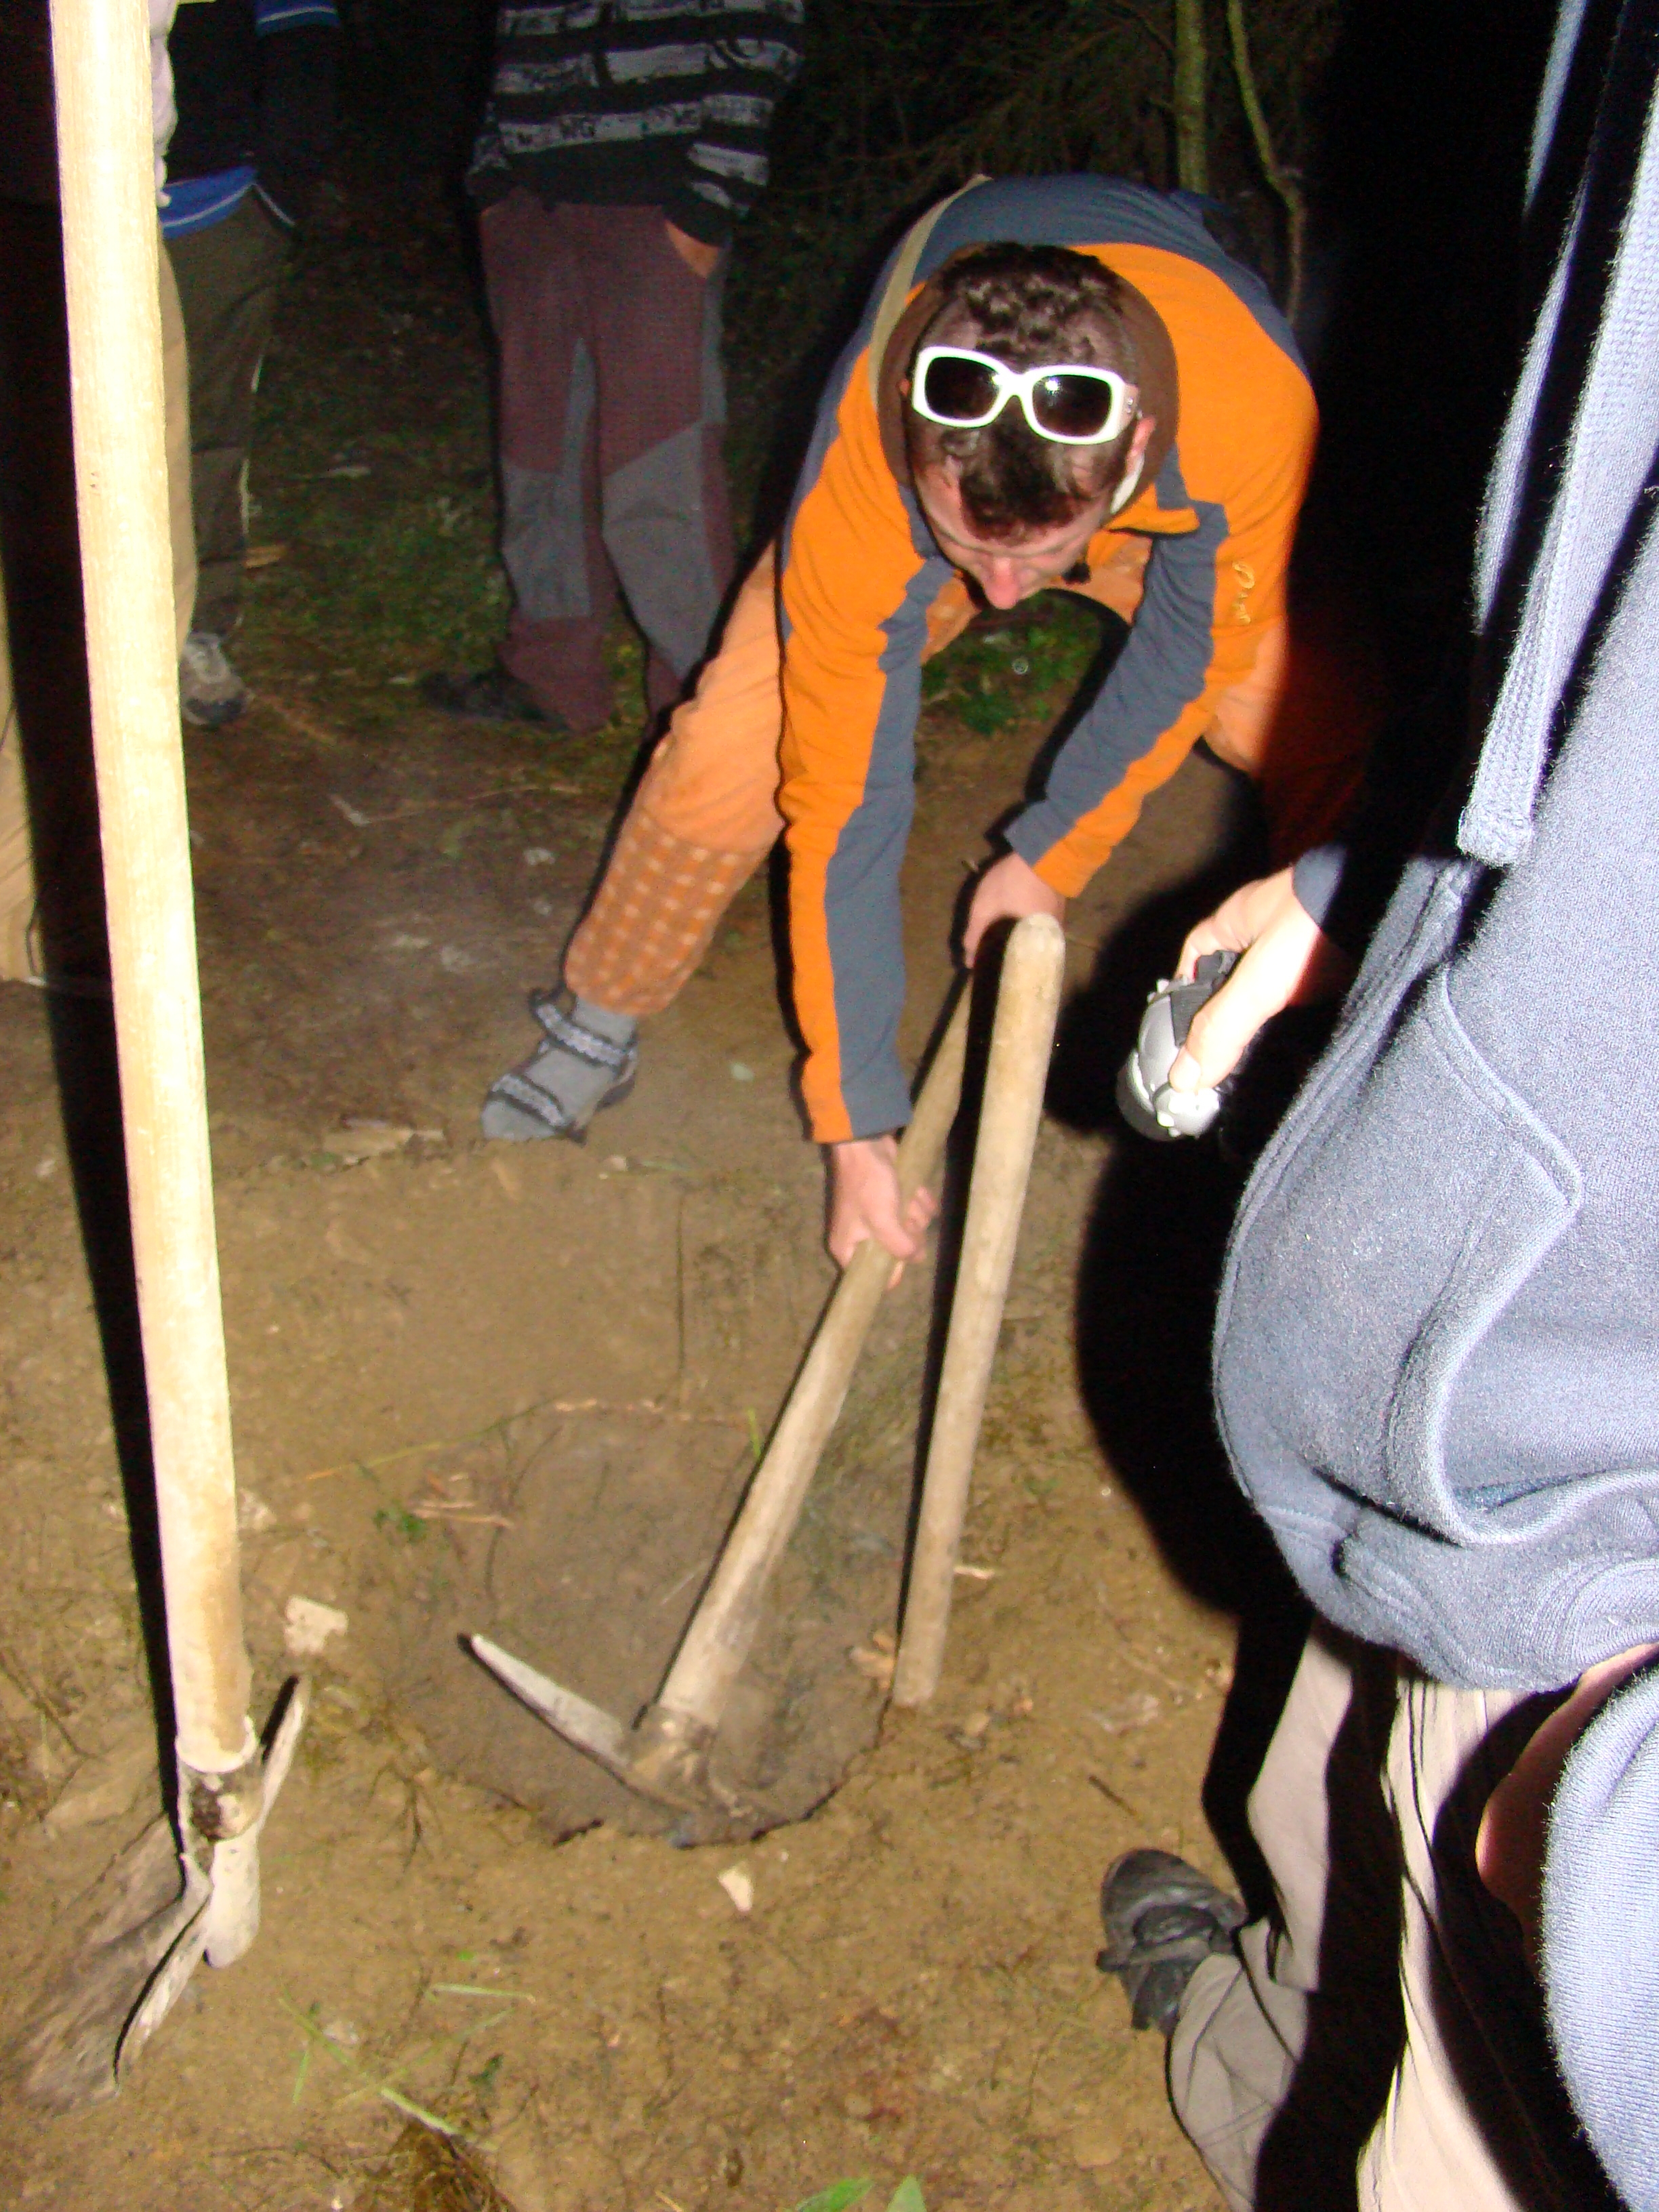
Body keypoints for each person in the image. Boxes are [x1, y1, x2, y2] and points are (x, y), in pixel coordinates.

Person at [1094, 4, 1659, 2206]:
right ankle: (1271, 2025)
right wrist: (1374, 891)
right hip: (1466, 1461)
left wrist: (1610, 1841)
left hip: (1602, 1665)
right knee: (1340, 1793)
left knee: (1473, 2087)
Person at [480, 176, 1378, 1273]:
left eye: (1033, 561)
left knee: (1322, 723)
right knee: (736, 745)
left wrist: (1053, 851)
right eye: (973, 554)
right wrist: (853, 1115)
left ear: (1139, 446)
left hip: (1169, 474)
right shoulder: (869, 464)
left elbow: (1188, 651)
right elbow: (843, 803)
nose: (1000, 596)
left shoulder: (1250, 412)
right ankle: (601, 1009)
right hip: (927, 503)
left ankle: (1310, 1025)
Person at [421, 2, 804, 737]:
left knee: (659, 469)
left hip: (655, 206)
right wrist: (494, 178)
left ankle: (705, 711)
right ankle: (551, 676)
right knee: (538, 456)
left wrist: (710, 199)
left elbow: (762, 32)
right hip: (529, 207)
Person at [163, 0, 340, 731]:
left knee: (204, 429)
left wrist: (275, 199)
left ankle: (192, 629)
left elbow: (305, 48)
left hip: (211, 214)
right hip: (56, 203)